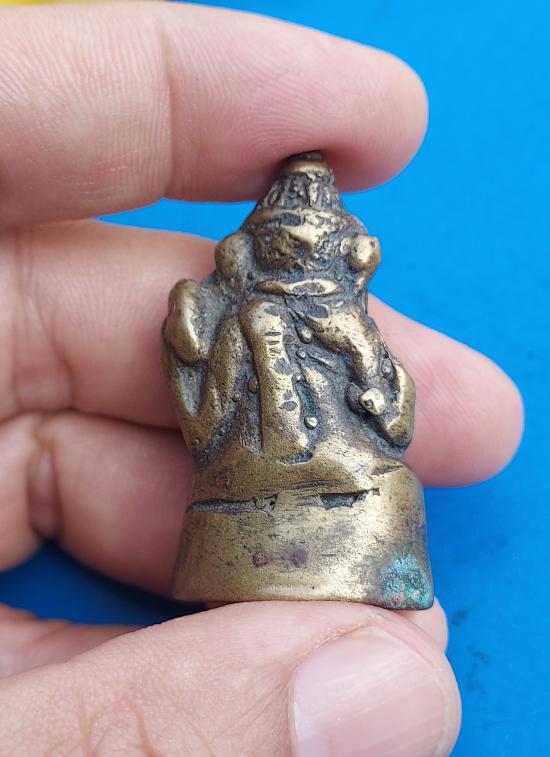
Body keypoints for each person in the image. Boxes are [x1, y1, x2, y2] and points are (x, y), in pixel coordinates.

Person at [0, 3, 523, 755]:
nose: (301, 263)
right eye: (285, 249)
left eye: (314, 250)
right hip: (251, 468)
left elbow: (394, 416)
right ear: (257, 252)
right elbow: (212, 411)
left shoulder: (349, 322)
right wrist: (195, 337)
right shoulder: (245, 315)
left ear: (348, 257)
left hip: (351, 472)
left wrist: (369, 371)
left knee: (386, 484)